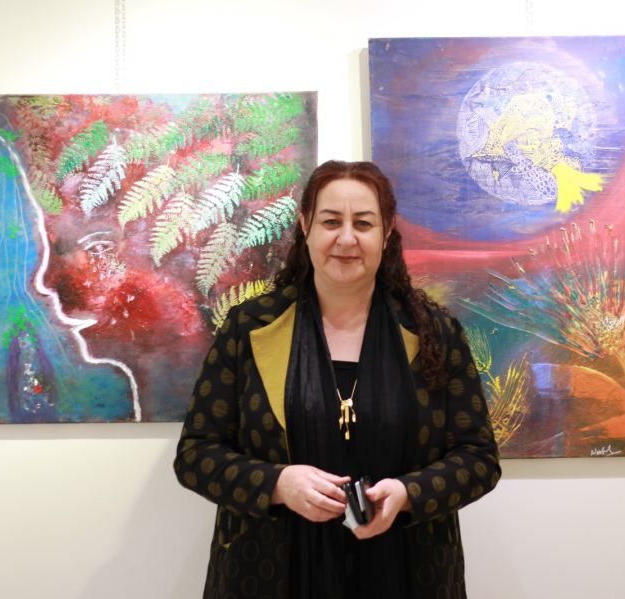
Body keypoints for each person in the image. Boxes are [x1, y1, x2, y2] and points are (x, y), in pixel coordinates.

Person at [173, 160, 501, 599]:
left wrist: (409, 492)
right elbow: (196, 455)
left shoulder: (436, 334)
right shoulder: (248, 329)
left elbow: (479, 458)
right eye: (331, 221)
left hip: (407, 571)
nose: (346, 239)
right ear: (305, 225)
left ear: (386, 233)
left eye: (363, 223)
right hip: (271, 573)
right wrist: (276, 484)